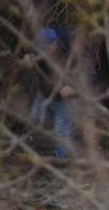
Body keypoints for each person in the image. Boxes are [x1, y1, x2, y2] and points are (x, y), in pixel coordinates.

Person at [25, 26, 80, 159]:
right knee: (34, 118)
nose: (41, 51)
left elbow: (87, 75)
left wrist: (74, 88)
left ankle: (63, 159)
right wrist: (26, 58)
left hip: (64, 99)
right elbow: (24, 54)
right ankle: (48, 142)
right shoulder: (40, 52)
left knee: (62, 129)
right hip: (45, 93)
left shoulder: (70, 55)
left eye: (43, 47)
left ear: (54, 44)